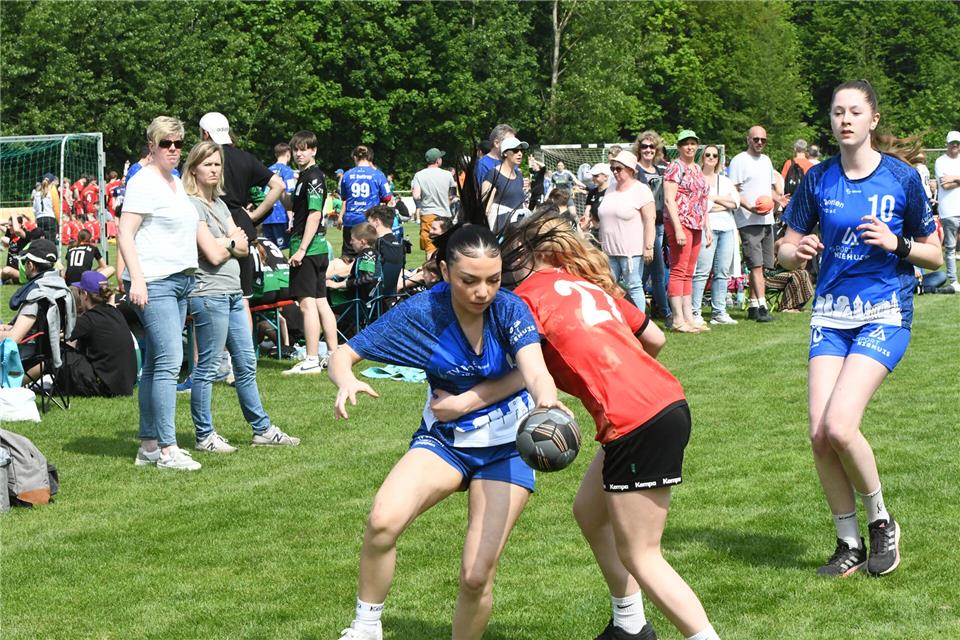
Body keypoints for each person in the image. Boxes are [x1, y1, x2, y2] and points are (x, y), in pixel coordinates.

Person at [437, 210, 722, 640]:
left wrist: (462, 403)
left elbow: (518, 373)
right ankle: (629, 625)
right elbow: (655, 339)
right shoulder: (588, 285)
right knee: (589, 511)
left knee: (643, 556)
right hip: (666, 402)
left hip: (635, 421)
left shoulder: (526, 299)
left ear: (528, 255)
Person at [329, 224, 564, 640]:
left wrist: (546, 402)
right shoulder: (422, 312)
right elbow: (344, 354)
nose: (483, 292)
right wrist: (345, 379)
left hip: (507, 448)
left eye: (492, 280)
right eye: (469, 281)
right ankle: (366, 628)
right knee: (383, 520)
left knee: (476, 576)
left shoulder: (510, 308)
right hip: (447, 442)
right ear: (442, 269)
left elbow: (535, 369)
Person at [779, 79, 942, 577]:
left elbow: (934, 256)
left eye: (854, 112)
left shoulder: (901, 178)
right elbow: (785, 247)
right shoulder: (817, 178)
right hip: (830, 314)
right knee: (818, 435)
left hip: (884, 311)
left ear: (872, 120)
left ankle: (880, 521)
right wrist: (797, 251)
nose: (844, 119)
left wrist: (896, 244)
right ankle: (847, 541)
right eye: (836, 112)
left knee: (840, 425)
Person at [182, 141, 299, 452]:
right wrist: (230, 242)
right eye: (207, 164)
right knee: (207, 366)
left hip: (234, 293)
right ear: (194, 167)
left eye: (217, 164)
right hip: (210, 293)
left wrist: (228, 243)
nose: (214, 169)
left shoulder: (221, 204)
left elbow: (244, 246)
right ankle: (204, 435)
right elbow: (212, 253)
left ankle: (261, 429)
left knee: (246, 363)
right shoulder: (191, 206)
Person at [117, 115, 201, 472]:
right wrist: (136, 279)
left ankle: (149, 445)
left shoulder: (174, 183)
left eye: (179, 144)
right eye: (166, 143)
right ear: (151, 146)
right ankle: (167, 448)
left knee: (155, 364)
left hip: (179, 279)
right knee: (169, 362)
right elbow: (124, 232)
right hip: (154, 281)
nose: (173, 150)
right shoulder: (143, 182)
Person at [199, 111, 285, 301]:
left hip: (212, 228)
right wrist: (253, 217)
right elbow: (279, 185)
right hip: (241, 229)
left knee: (211, 297)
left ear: (205, 134)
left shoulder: (201, 162)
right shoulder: (245, 158)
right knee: (243, 298)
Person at [282, 130, 339, 375]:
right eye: (296, 149)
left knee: (306, 304)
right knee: (321, 301)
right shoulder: (303, 177)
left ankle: (312, 358)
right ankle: (334, 355)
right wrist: (275, 190)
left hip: (308, 248)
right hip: (315, 249)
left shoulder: (314, 177)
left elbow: (315, 214)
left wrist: (301, 250)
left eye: (304, 149)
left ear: (314, 150)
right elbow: (294, 206)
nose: (299, 153)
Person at [46, 271, 136, 397]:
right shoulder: (115, 313)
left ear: (85, 294)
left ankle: (20, 383)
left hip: (104, 388)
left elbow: (53, 336)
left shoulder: (88, 320)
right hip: (124, 385)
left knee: (53, 350)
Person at [729, 125, 779, 323]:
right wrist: (750, 207)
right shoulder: (739, 161)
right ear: (748, 139)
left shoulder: (766, 161)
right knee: (755, 266)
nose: (759, 143)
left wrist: (779, 199)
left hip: (767, 219)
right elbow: (733, 190)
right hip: (748, 220)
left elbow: (768, 188)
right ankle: (763, 307)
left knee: (765, 266)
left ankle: (752, 306)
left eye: (763, 140)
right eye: (756, 139)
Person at [663, 130, 710, 332]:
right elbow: (668, 199)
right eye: (685, 144)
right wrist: (678, 229)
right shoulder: (675, 167)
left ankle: (688, 318)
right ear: (679, 147)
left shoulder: (697, 168)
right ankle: (677, 319)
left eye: (693, 143)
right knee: (679, 270)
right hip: (681, 223)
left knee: (689, 272)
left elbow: (702, 200)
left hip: (697, 224)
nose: (690, 147)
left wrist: (706, 226)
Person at [598, 150, 655, 311]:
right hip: (609, 249)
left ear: (630, 170)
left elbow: (650, 220)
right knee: (608, 286)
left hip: (631, 250)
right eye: (613, 169)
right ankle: (615, 321)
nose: (615, 172)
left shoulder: (641, 190)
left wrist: (648, 246)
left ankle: (640, 325)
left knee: (634, 285)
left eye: (618, 168)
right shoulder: (610, 189)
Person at [691, 144, 739, 326]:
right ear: (702, 157)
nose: (711, 158)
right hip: (706, 228)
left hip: (727, 228)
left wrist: (712, 199)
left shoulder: (724, 180)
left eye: (715, 155)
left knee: (722, 272)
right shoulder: (696, 179)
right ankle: (695, 311)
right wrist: (720, 202)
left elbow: (735, 203)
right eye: (708, 155)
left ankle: (719, 311)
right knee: (702, 271)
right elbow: (699, 205)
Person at [634, 132, 672, 326]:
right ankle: (667, 315)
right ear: (638, 149)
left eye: (651, 147)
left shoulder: (661, 170)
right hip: (641, 226)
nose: (648, 150)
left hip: (660, 225)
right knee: (656, 271)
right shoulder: (634, 170)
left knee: (646, 274)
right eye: (644, 146)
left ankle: (640, 311)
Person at [338, 145, 392, 257]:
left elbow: (344, 197)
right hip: (369, 221)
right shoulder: (378, 174)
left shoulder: (347, 175)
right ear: (370, 157)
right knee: (370, 254)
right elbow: (387, 197)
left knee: (348, 257)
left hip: (350, 221)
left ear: (354, 157)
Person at [412, 147, 456, 255]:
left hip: (428, 215)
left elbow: (416, 195)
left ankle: (431, 271)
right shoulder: (447, 174)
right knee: (447, 248)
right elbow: (452, 195)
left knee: (431, 249)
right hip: (445, 215)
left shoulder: (419, 175)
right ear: (438, 160)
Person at [480, 136, 528, 233]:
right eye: (515, 150)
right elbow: (485, 207)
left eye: (521, 151)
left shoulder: (519, 174)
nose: (519, 154)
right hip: (500, 229)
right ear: (505, 153)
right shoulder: (493, 174)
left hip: (519, 227)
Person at [934, 130, 960, 290]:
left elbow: (951, 181)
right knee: (950, 247)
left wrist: (954, 177)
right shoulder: (940, 161)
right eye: (952, 143)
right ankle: (954, 281)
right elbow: (945, 185)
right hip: (949, 210)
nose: (955, 146)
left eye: (957, 143)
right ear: (947, 144)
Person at [262, 142, 297, 250]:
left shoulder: (266, 170)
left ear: (276, 155)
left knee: (269, 250)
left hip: (266, 216)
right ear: (288, 154)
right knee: (281, 250)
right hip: (280, 217)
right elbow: (289, 194)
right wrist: (291, 219)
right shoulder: (288, 171)